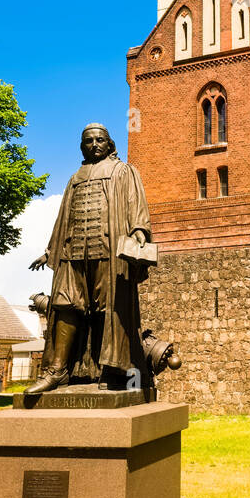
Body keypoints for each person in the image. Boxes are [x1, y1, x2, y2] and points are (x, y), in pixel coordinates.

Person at [26, 123, 152, 395]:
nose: (94, 144)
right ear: (82, 146)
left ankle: (114, 369)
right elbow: (63, 218)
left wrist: (139, 230)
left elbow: (135, 204)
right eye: (88, 141)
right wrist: (51, 251)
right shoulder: (75, 178)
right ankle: (57, 371)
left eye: (99, 140)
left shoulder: (123, 171)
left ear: (109, 143)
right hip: (73, 252)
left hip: (108, 251)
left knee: (110, 308)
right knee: (65, 305)